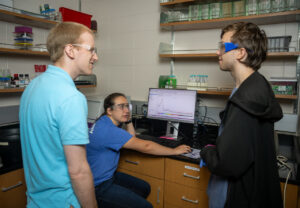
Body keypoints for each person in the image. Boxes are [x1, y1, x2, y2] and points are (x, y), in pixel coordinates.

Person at [200, 22, 283, 208]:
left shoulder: (247, 98)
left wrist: (206, 151)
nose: (217, 52)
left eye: (223, 46)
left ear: (240, 52)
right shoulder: (254, 86)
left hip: (240, 197)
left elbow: (227, 163)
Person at [19, 22, 98, 208]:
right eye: (91, 50)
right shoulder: (71, 97)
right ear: (70, 50)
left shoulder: (32, 87)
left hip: (36, 201)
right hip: (64, 201)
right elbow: (78, 171)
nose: (96, 56)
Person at [86, 92, 191, 208]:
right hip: (98, 186)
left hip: (106, 176)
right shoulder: (109, 130)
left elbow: (132, 138)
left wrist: (128, 121)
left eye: (127, 106)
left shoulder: (104, 122)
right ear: (109, 110)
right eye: (121, 107)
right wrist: (174, 151)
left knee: (144, 188)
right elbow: (147, 146)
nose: (126, 110)